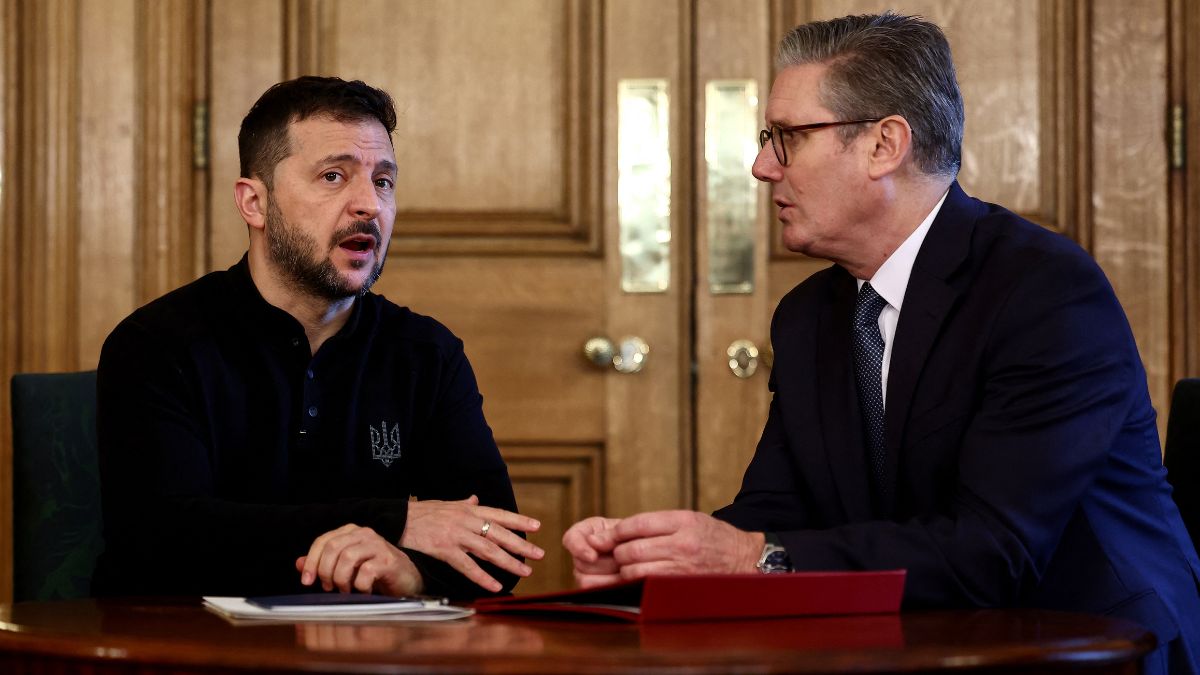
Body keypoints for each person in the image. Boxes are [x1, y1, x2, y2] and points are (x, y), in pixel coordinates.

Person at [564, 13, 1200, 672]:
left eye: (787, 137)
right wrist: (659, 559)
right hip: (917, 644)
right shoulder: (809, 314)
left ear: (883, 145)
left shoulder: (1043, 292)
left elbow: (993, 551)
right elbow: (779, 513)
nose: (760, 167)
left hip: (1085, 644)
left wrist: (751, 557)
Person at [93, 76, 543, 600]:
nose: (369, 206)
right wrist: (391, 520)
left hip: (370, 654)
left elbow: (497, 547)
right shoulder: (156, 343)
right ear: (254, 203)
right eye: (334, 176)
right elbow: (159, 537)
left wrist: (410, 574)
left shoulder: (426, 353)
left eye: (383, 182)